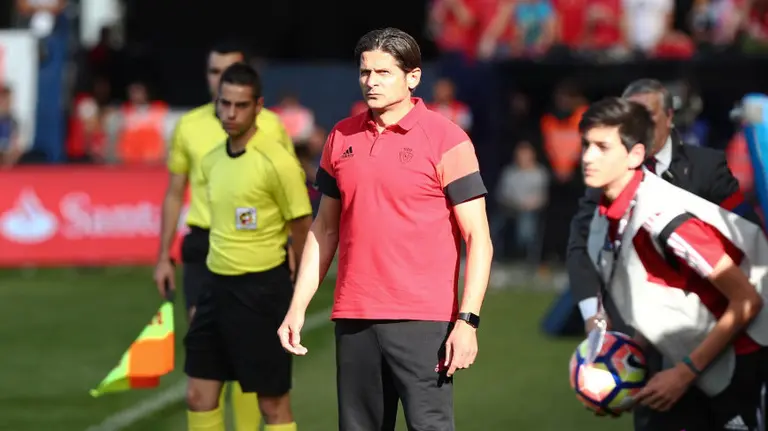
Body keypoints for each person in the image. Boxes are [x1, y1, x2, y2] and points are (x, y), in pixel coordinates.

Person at [277, 27, 493, 430]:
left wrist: (468, 320)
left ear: (413, 77)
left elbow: (478, 238)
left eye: (383, 73)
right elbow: (324, 229)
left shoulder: (448, 139)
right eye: (364, 72)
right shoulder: (340, 136)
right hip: (354, 316)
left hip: (424, 321)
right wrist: (298, 306)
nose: (371, 82)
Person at [567, 79, 760, 430]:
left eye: (603, 147)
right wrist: (621, 359)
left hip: (733, 368)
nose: (588, 158)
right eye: (586, 146)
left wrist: (683, 374)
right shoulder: (614, 215)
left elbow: (746, 299)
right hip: (687, 357)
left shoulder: (663, 219)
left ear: (636, 154)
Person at [154, 41, 295, 431]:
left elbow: (286, 190)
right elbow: (173, 191)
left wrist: (289, 245)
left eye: (229, 72)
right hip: (204, 247)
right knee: (206, 365)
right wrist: (164, 253)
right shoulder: (190, 125)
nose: (222, 81)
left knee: (251, 367)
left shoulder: (271, 126)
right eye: (215, 73)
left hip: (256, 253)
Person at [184, 63, 313, 431]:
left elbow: (302, 227)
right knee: (198, 396)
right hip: (215, 288)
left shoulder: (277, 161)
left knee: (272, 404)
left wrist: (300, 296)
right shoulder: (210, 161)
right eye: (224, 104)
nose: (230, 113)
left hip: (262, 292)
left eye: (240, 105)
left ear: (258, 106)